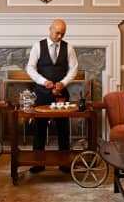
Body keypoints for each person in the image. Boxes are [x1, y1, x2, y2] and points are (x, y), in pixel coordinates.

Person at [26, 19, 78, 173]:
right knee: (39, 128)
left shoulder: (68, 48)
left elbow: (74, 69)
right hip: (42, 93)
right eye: (57, 33)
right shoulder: (38, 46)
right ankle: (38, 163)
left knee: (63, 128)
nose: (60, 36)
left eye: (63, 33)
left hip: (61, 93)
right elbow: (30, 67)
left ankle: (64, 163)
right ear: (50, 29)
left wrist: (64, 82)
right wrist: (43, 81)